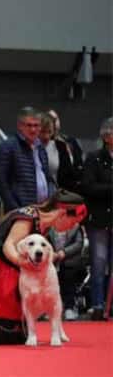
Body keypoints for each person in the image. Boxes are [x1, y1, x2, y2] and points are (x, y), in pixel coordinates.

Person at [0, 189, 87, 344]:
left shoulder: (42, 224)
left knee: (19, 335)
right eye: (73, 222)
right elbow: (9, 246)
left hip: (8, 272)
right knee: (4, 335)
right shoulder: (28, 217)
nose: (71, 227)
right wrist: (23, 263)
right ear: (62, 213)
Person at [81, 117, 113, 321]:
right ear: (107, 136)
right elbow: (88, 187)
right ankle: (98, 305)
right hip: (99, 218)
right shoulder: (93, 158)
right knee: (99, 263)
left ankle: (111, 305)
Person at [0, 106, 55, 212]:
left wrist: (50, 199)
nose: (33, 129)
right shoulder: (7, 147)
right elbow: (1, 182)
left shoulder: (40, 148)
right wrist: (15, 208)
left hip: (43, 209)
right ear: (20, 126)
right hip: (21, 211)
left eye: (36, 125)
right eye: (29, 125)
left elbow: (48, 178)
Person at [47, 224, 86, 321]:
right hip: (52, 261)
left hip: (71, 260)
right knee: (50, 286)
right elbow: (44, 241)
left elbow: (79, 243)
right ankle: (50, 309)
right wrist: (52, 253)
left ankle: (70, 308)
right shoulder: (49, 226)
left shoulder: (76, 226)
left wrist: (64, 252)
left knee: (69, 283)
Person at [39, 112, 81, 193]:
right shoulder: (31, 147)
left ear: (54, 131)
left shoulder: (60, 146)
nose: (46, 136)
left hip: (56, 193)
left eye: (49, 132)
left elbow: (68, 175)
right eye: (43, 132)